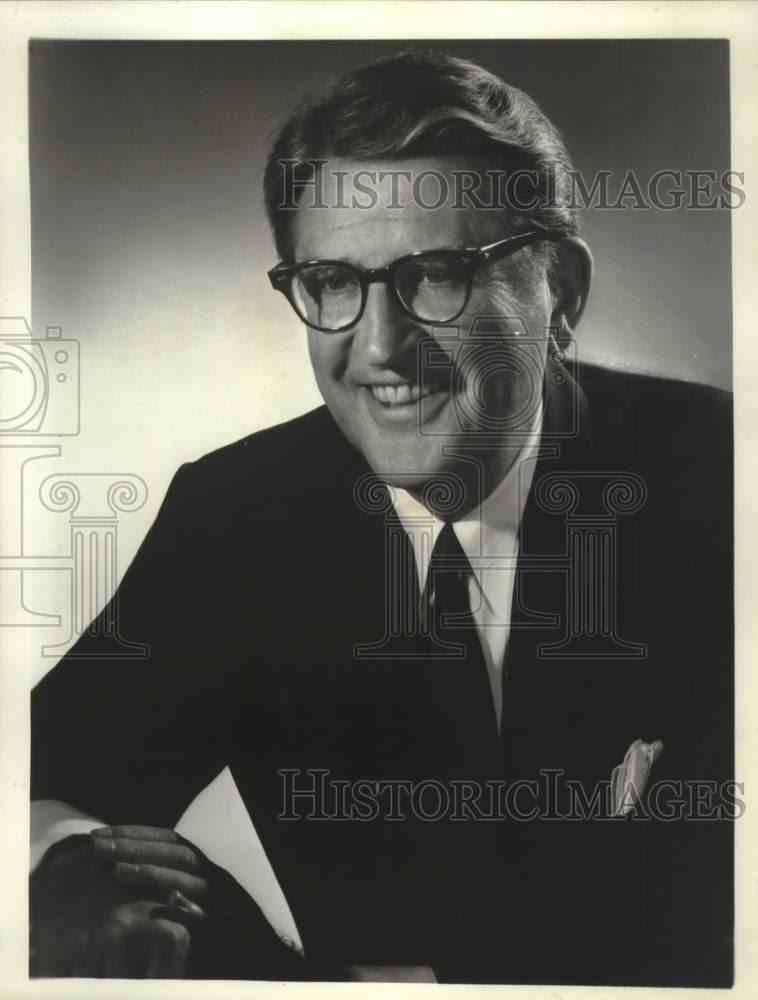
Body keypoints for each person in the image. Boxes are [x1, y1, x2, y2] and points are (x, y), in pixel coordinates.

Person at [29, 49, 733, 985]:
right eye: (331, 282)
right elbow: (41, 772)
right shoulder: (237, 516)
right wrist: (71, 866)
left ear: (560, 290)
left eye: (437, 274)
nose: (382, 348)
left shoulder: (725, 485)